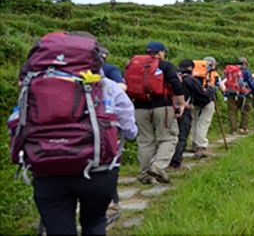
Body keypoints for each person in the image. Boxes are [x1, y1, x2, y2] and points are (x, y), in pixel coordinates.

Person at [15, 34, 137, 235]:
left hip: (46, 166)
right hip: (98, 168)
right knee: (95, 223)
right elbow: (128, 123)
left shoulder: (33, 85)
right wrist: (130, 135)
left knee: (58, 229)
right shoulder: (106, 86)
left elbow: (19, 119)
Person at [128, 41, 185, 184]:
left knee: (145, 141)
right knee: (169, 137)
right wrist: (182, 103)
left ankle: (144, 175)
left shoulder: (135, 65)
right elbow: (175, 84)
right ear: (159, 53)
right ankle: (158, 166)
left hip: (139, 107)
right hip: (162, 107)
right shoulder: (165, 65)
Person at [168, 60, 203, 170]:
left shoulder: (171, 76)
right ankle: (175, 162)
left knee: (169, 136)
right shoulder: (190, 80)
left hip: (168, 108)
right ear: (191, 68)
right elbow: (201, 94)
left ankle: (164, 160)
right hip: (184, 109)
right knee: (182, 136)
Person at [191, 56, 225, 158]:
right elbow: (221, 88)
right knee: (204, 122)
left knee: (194, 121)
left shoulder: (193, 72)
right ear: (213, 64)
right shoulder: (214, 74)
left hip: (193, 99)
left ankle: (194, 142)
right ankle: (201, 146)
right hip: (207, 100)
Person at [223, 57, 254, 135]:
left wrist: (225, 93)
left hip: (231, 94)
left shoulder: (229, 71)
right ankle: (243, 128)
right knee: (245, 111)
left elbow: (224, 82)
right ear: (244, 64)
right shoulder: (246, 72)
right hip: (244, 95)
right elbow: (251, 83)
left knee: (232, 112)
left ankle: (233, 130)